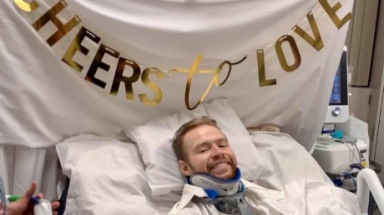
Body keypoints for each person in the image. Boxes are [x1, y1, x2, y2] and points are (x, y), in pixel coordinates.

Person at [168, 116, 360, 215]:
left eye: (222, 144)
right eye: (203, 150)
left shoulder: (267, 195)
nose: (218, 152)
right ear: (185, 168)